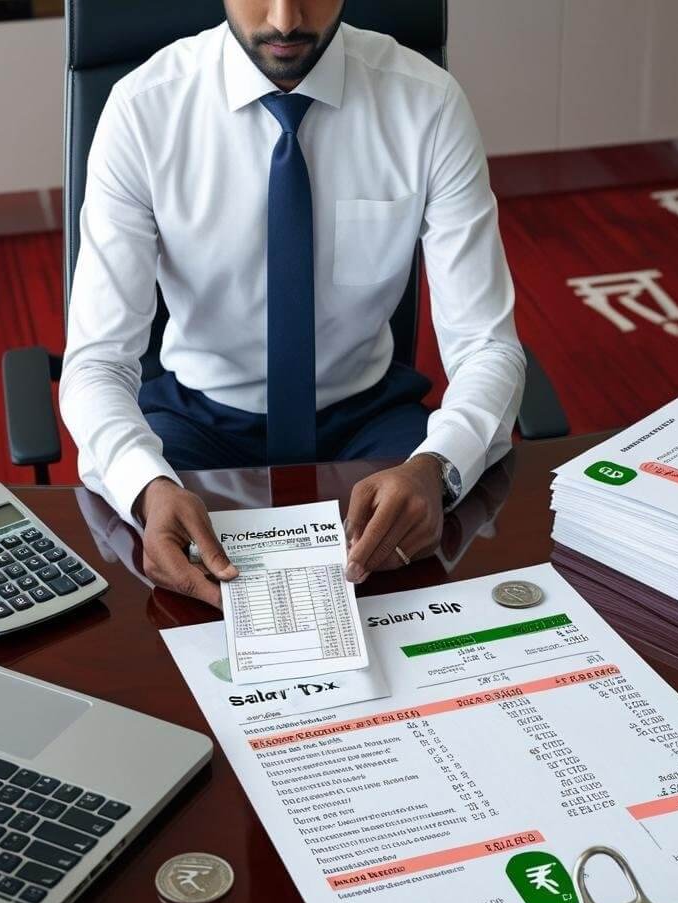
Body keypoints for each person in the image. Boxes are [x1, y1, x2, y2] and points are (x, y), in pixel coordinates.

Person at [60, 0, 525, 608]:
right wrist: (146, 486)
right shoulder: (144, 110)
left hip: (365, 420)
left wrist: (437, 464)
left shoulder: (426, 104)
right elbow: (96, 361)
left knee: (420, 599)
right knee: (170, 605)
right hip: (200, 423)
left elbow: (487, 343)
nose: (284, 20)